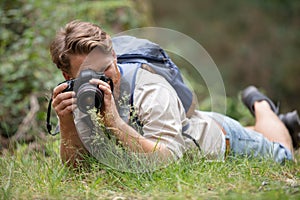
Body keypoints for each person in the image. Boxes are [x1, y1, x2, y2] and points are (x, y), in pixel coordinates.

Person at [50, 20, 299, 168]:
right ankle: (269, 123)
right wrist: (67, 123)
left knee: (284, 155)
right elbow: (78, 169)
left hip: (222, 141)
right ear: (68, 78)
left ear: (114, 56)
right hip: (184, 122)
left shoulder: (150, 89)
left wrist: (114, 123)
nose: (101, 79)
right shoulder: (77, 97)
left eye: (105, 68)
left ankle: (261, 105)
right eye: (87, 75)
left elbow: (167, 160)